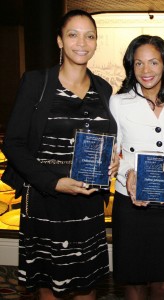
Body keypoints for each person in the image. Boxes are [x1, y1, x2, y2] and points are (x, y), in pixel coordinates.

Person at [2, 9, 118, 300]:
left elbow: (106, 138)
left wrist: (112, 159)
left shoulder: (104, 88)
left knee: (86, 284)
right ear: (59, 41)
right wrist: (53, 183)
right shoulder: (36, 82)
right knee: (48, 287)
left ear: (96, 42)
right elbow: (13, 143)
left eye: (90, 36)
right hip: (45, 199)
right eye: (73, 34)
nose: (82, 42)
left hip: (88, 202)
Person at [109, 35, 164, 299]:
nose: (146, 71)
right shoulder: (119, 102)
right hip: (129, 201)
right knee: (132, 280)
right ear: (131, 67)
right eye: (138, 64)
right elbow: (114, 153)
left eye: (153, 62)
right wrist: (128, 174)